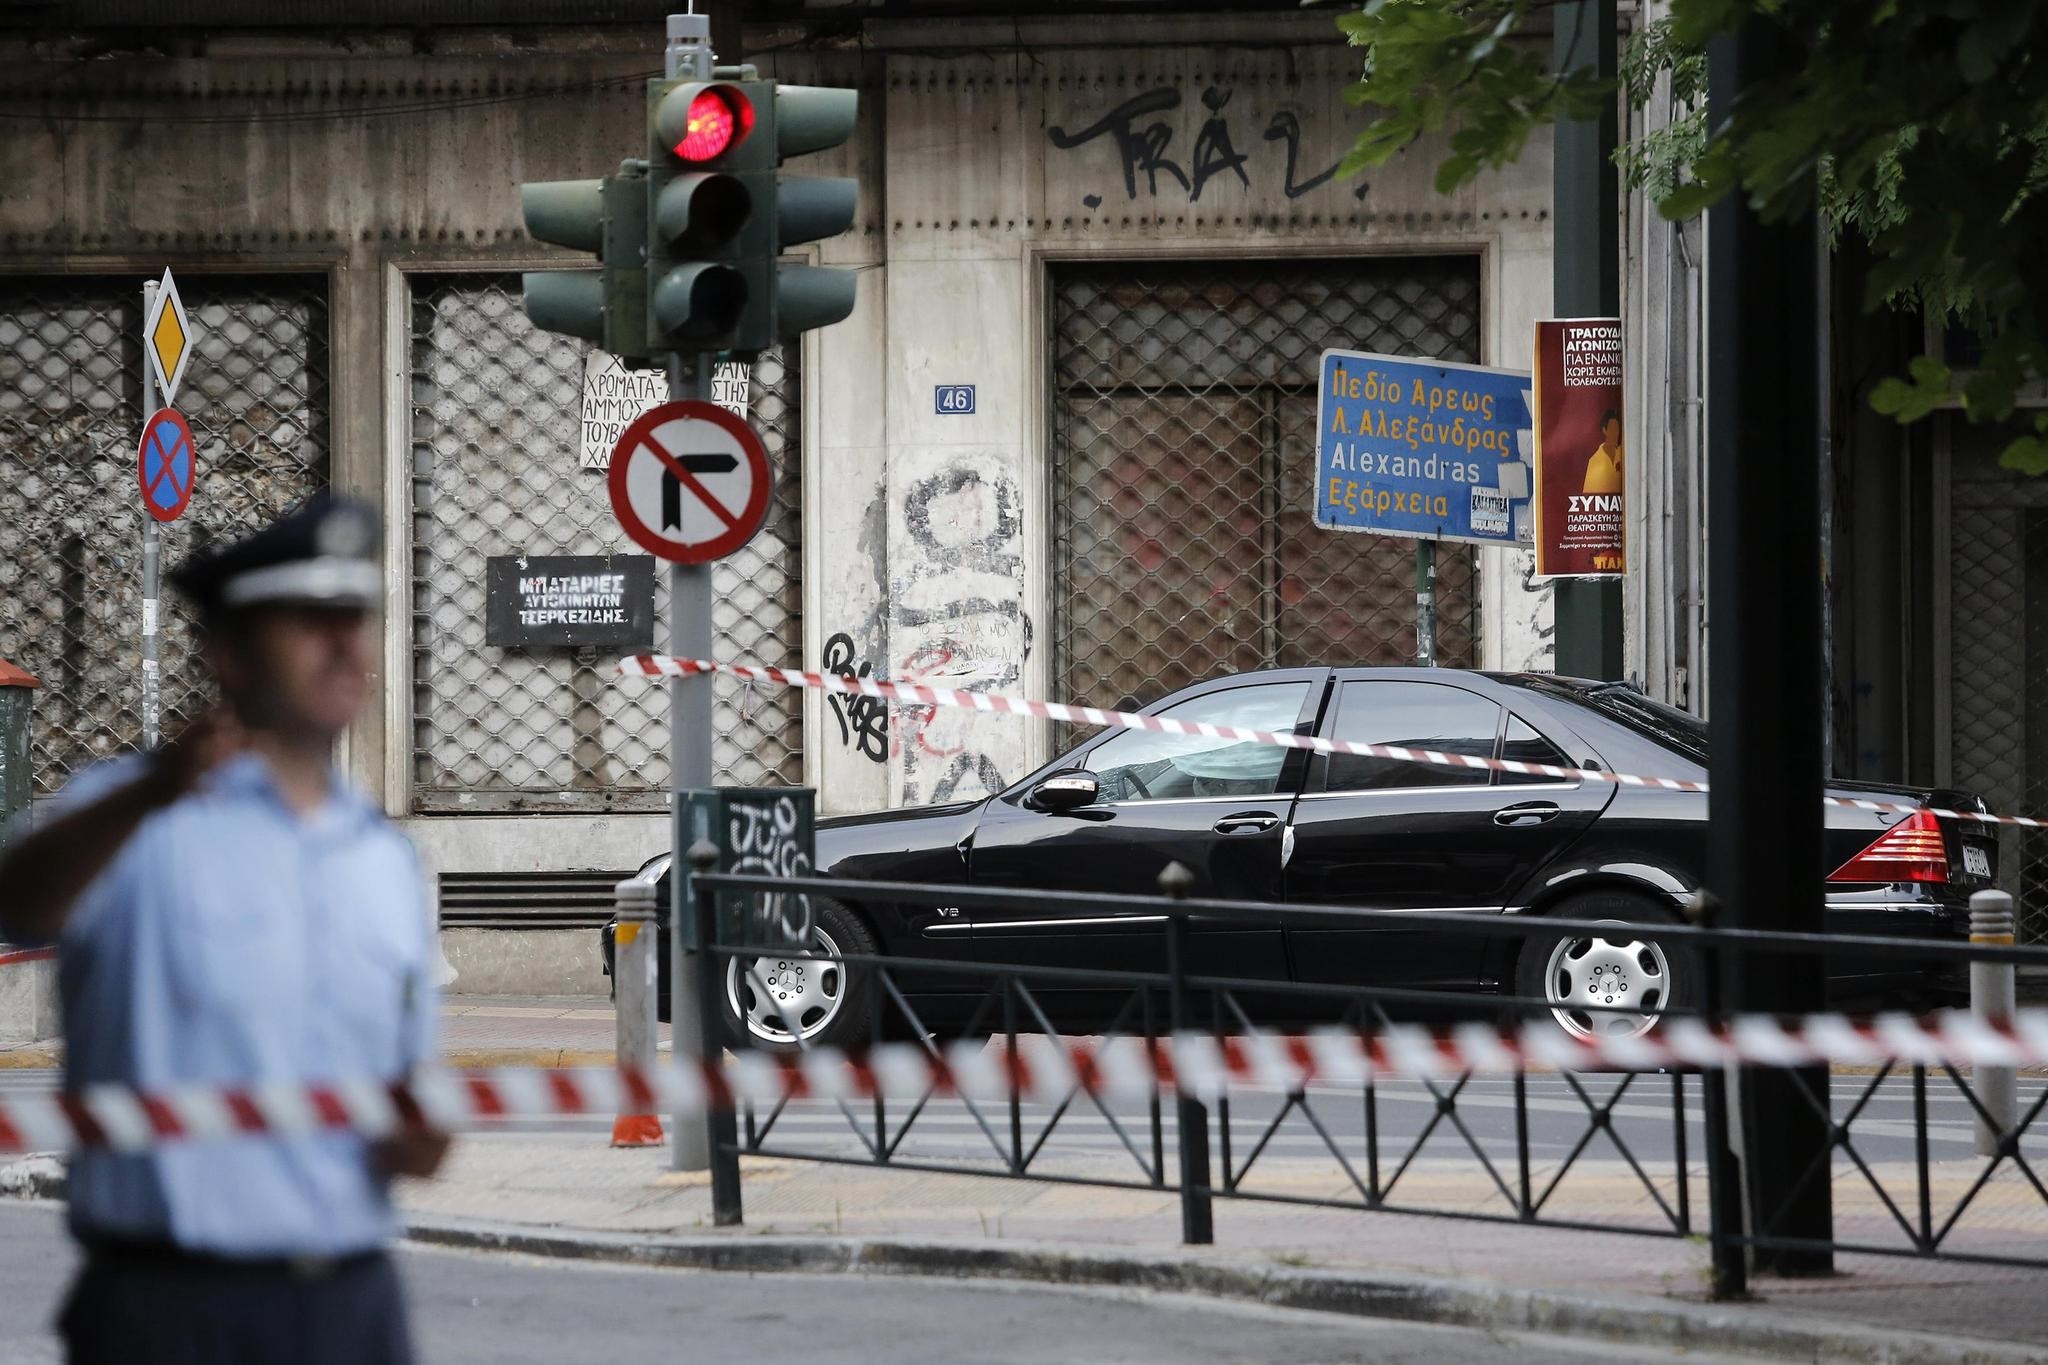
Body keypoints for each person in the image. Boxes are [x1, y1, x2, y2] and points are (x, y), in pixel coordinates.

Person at [0, 493, 449, 1365]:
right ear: (229, 654)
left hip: (351, 1302)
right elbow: (18, 900)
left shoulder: (385, 861)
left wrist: (414, 1134)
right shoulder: (134, 818)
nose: (344, 645)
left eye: (353, 618)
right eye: (310, 621)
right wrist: (155, 787)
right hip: (171, 1306)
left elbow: (405, 1101)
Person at [1582, 408, 1624, 496]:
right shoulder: (1594, 461)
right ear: (1604, 430)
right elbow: (1589, 499)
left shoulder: (1624, 453)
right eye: (1612, 428)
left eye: (1617, 428)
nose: (1616, 432)